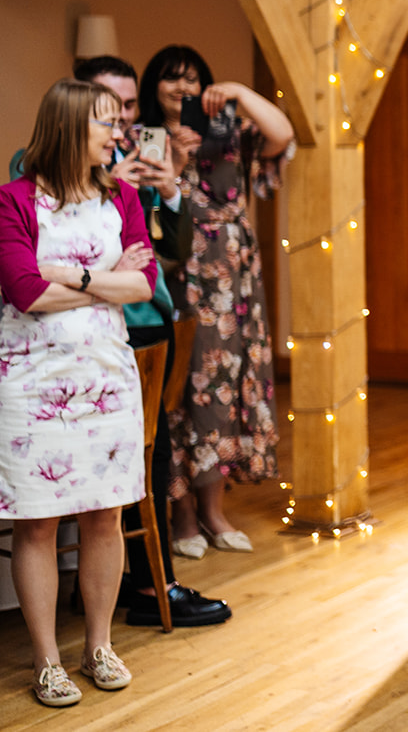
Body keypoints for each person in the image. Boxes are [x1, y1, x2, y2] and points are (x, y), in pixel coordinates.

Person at [39, 58, 229, 626]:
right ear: (77, 105)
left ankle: (149, 583)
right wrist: (114, 190)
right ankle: (142, 586)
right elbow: (42, 268)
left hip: (145, 321)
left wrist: (168, 190)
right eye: (110, 107)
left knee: (151, 452)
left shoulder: (142, 161)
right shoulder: (41, 170)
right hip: (71, 336)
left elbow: (165, 254)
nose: (123, 120)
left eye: (127, 107)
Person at [0, 79, 157, 706]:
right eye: (106, 122)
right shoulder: (12, 201)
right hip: (32, 383)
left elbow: (143, 286)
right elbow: (25, 293)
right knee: (36, 525)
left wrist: (76, 275)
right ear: (69, 126)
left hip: (108, 377)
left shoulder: (122, 197)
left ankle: (98, 646)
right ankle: (46, 661)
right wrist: (106, 281)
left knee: (105, 516)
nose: (117, 133)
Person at [139, 45, 294, 559]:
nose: (181, 88)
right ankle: (182, 514)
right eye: (170, 79)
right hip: (180, 275)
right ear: (153, 86)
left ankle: (213, 510)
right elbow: (146, 216)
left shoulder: (228, 131)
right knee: (186, 391)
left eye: (191, 79)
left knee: (227, 388)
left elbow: (283, 135)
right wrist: (176, 160)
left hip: (236, 280)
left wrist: (241, 92)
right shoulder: (143, 139)